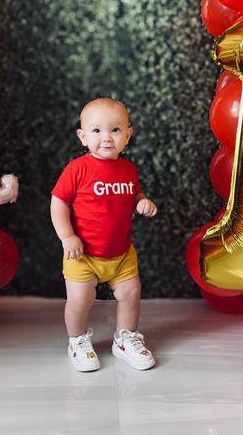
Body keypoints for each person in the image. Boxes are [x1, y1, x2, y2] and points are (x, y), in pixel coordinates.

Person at [51, 97, 158, 372]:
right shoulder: (78, 169)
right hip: (82, 255)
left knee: (131, 293)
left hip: (121, 253)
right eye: (96, 131)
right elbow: (58, 203)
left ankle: (125, 338)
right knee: (79, 300)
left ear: (128, 135)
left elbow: (135, 193)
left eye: (115, 130)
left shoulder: (128, 169)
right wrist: (67, 237)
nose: (106, 138)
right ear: (82, 136)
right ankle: (77, 340)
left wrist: (142, 202)